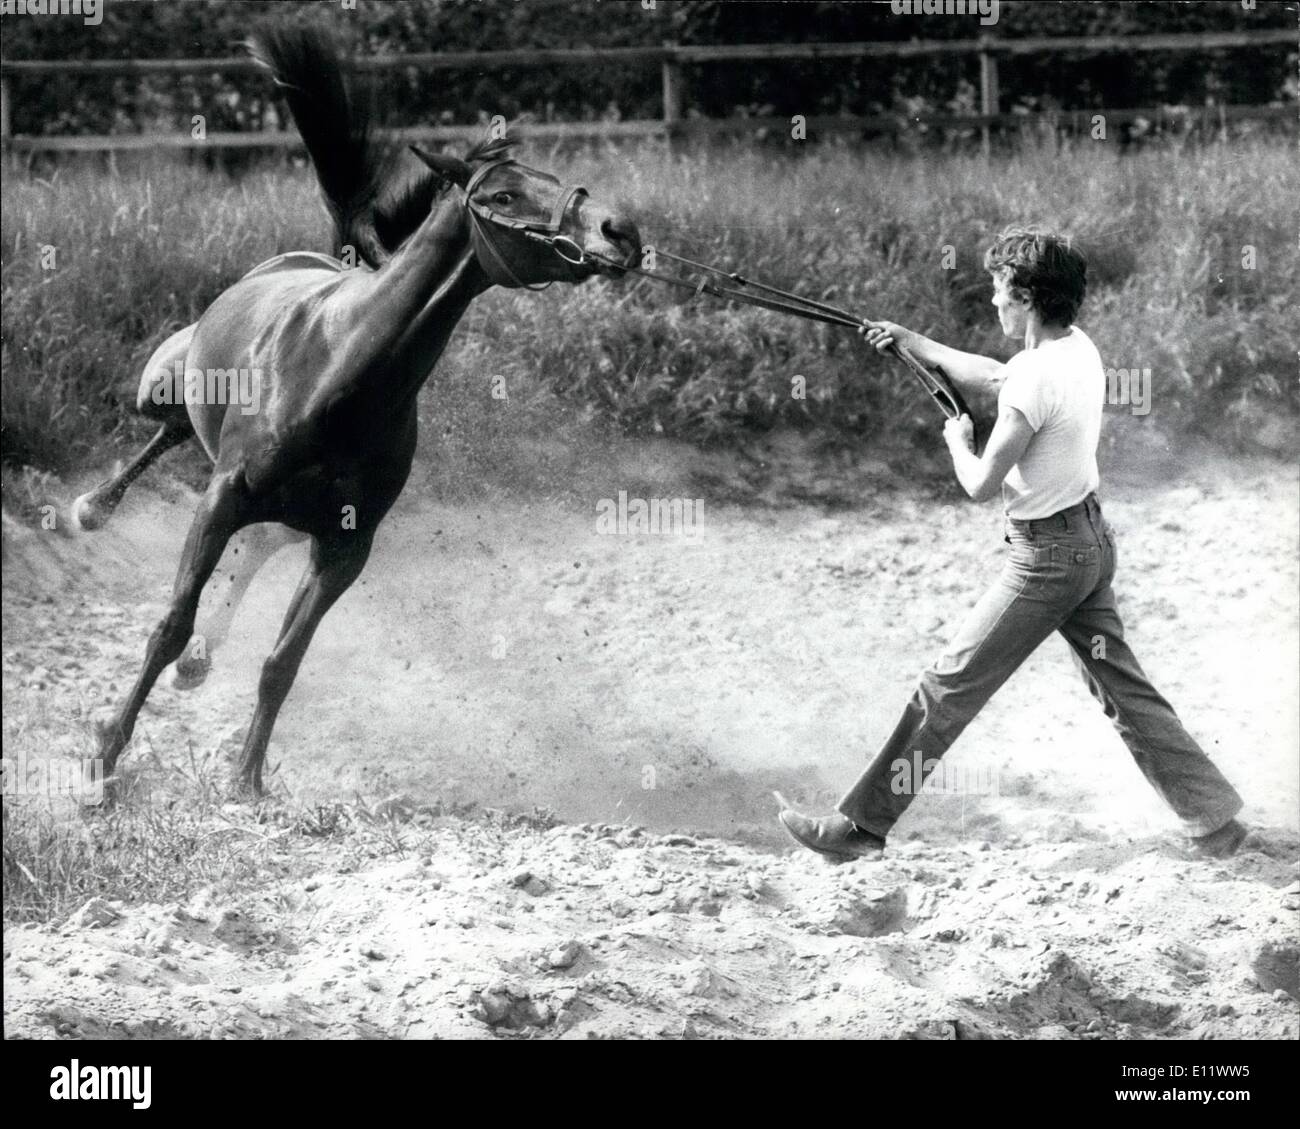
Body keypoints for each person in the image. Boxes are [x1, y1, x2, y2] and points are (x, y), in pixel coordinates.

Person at [779, 227, 1248, 862]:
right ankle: (1216, 821)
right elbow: (1000, 374)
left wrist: (956, 443)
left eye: (999, 292)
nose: (993, 303)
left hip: (1046, 562)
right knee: (1126, 694)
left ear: (1024, 297)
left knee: (945, 690)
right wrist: (911, 343)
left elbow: (980, 484)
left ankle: (857, 830)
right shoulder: (1074, 349)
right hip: (1089, 545)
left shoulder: (1033, 379)